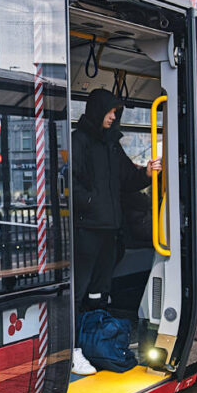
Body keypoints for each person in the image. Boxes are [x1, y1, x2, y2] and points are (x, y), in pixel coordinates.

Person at [71, 88, 160, 375]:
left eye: (116, 113)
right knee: (80, 290)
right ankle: (73, 350)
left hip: (109, 230)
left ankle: (95, 342)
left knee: (100, 290)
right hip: (87, 230)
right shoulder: (79, 141)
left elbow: (126, 179)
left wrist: (145, 174)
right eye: (111, 111)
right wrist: (92, 204)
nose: (114, 117)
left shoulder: (111, 144)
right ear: (98, 110)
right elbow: (71, 183)